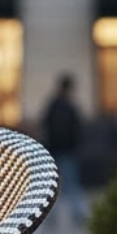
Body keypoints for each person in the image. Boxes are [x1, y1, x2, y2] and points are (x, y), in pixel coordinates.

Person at [40, 72, 86, 224]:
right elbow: (78, 127)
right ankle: (77, 214)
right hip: (68, 150)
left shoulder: (52, 105)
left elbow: (44, 124)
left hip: (54, 149)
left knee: (53, 186)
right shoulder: (71, 106)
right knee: (72, 183)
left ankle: (51, 217)